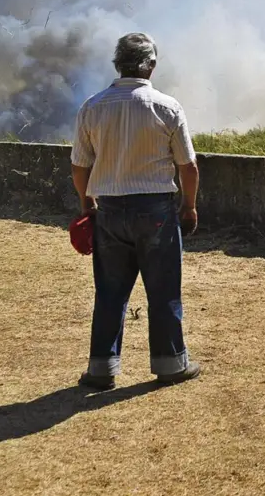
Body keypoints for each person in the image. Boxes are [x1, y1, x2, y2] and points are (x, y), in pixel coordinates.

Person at [70, 32, 202, 390]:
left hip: (109, 211)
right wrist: (188, 207)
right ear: (152, 65)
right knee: (163, 290)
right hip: (156, 210)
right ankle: (171, 364)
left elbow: (80, 167)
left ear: (117, 64)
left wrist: (87, 203)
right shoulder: (167, 106)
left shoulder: (92, 107)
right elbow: (188, 167)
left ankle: (101, 369)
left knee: (110, 292)